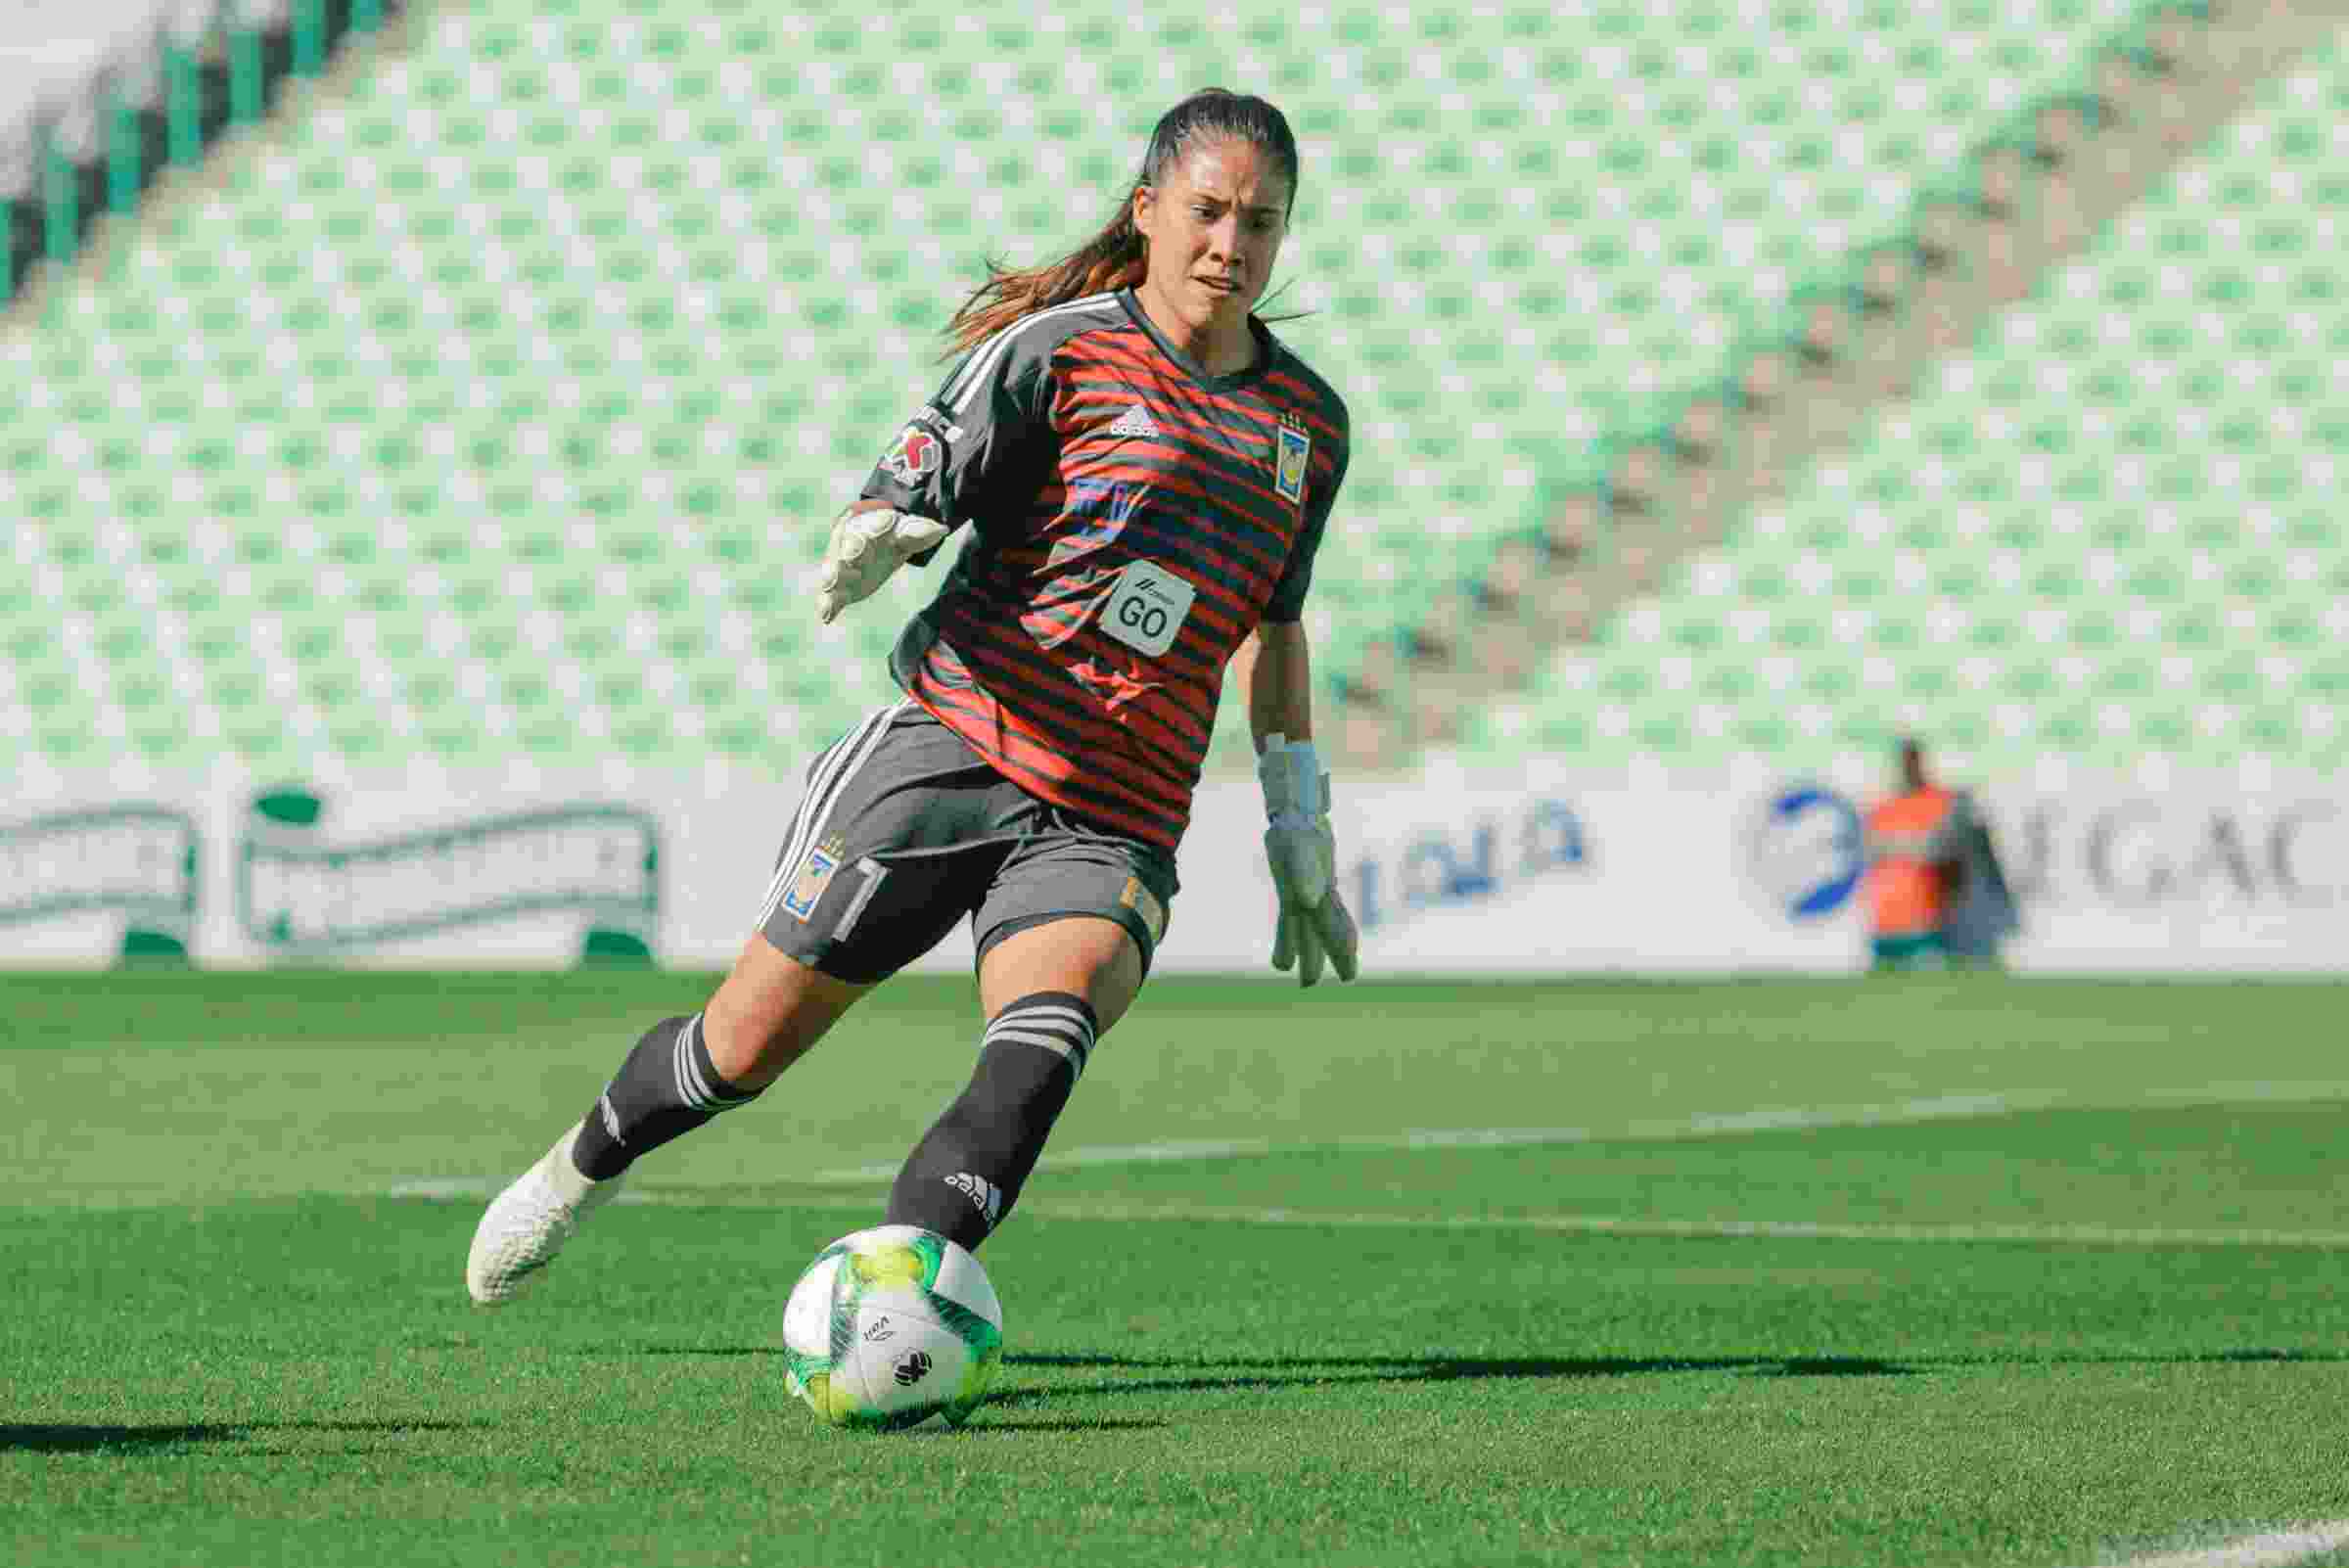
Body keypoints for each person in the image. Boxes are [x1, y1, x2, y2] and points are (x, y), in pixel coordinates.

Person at [466, 88, 1359, 1305]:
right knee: (738, 1052)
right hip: (954, 746)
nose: (1231, 246)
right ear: (1148, 212)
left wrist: (1296, 820)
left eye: (1262, 222)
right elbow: (916, 478)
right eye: (1207, 212)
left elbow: (1277, 622)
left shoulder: (1307, 425)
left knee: (1036, 1058)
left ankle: (894, 1315)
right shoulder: (1057, 355)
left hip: (1117, 811)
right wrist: (880, 533)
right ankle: (580, 1168)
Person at [1862, 737, 2012, 970]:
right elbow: (1869, 855)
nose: (1908, 767)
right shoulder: (1881, 810)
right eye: (1904, 761)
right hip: (1884, 922)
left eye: (1912, 760)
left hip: (1930, 923)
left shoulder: (1945, 803)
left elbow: (1953, 857)